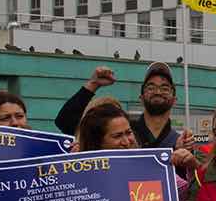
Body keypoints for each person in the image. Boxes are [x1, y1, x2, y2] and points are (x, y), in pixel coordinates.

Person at [56, 62, 191, 151]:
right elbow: (65, 121)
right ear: (141, 98)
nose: (157, 91)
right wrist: (93, 84)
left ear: (174, 100)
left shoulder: (179, 141)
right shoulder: (122, 129)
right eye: (151, 87)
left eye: (165, 88)